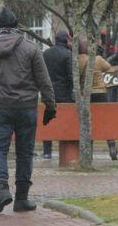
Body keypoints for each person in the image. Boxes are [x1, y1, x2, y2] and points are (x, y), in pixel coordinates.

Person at [0, 8, 56, 215]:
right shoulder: (31, 48)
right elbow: (44, 80)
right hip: (26, 107)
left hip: (1, 107)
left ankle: (1, 189)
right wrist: (50, 106)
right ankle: (21, 198)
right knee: (24, 152)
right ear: (17, 27)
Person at [78, 37, 117, 160]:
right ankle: (111, 145)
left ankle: (89, 152)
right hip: (100, 92)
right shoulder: (98, 59)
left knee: (88, 121)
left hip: (86, 94)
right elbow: (108, 67)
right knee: (106, 120)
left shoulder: (77, 60)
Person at [41, 30, 73, 159]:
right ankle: (65, 149)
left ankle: (47, 151)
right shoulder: (68, 54)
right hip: (64, 93)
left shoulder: (46, 54)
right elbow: (71, 75)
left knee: (48, 121)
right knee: (65, 122)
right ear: (66, 40)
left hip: (48, 92)